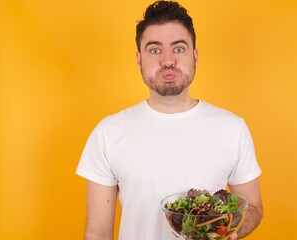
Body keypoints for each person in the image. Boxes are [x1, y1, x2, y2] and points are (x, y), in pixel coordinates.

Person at [76, 1, 263, 239]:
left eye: (178, 49)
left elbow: (253, 207)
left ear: (195, 56)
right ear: (139, 59)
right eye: (154, 50)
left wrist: (229, 232)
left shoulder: (232, 128)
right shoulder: (108, 132)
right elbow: (97, 233)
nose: (167, 61)